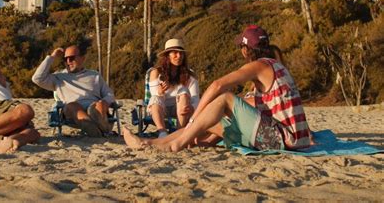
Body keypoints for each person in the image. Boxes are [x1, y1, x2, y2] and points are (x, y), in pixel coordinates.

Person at [124, 25, 312, 152]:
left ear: (246, 49)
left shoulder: (259, 66)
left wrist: (195, 117)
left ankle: (175, 145)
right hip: (289, 138)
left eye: (241, 47)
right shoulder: (277, 66)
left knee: (224, 98)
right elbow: (283, 108)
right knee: (217, 116)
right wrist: (203, 126)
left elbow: (218, 85)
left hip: (280, 141)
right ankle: (149, 143)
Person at [32, 45, 115, 137]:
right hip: (73, 110)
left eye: (71, 58)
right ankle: (93, 127)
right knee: (72, 106)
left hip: (94, 106)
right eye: (65, 59)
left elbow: (109, 94)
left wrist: (104, 103)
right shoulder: (59, 77)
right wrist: (52, 57)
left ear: (82, 58)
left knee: (99, 105)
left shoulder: (94, 75)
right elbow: (37, 78)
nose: (68, 62)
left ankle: (97, 128)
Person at [148, 38, 199, 138]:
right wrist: (160, 92)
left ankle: (180, 132)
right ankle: (162, 132)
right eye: (175, 53)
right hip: (162, 107)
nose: (179, 56)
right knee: (155, 98)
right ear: (167, 55)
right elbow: (155, 96)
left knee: (183, 91)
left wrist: (192, 107)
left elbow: (195, 98)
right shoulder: (156, 73)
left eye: (181, 53)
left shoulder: (190, 75)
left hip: (181, 107)